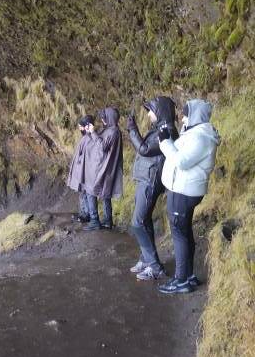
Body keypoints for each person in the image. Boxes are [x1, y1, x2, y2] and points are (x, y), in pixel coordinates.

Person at [157, 99, 220, 295]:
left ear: (195, 115)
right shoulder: (195, 133)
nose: (183, 117)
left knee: (179, 234)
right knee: (183, 232)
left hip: (184, 192)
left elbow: (181, 161)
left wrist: (164, 142)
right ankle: (189, 275)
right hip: (183, 190)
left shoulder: (201, 137)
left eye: (186, 114)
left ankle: (181, 280)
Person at [126, 97, 178, 281]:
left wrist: (132, 130)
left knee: (137, 222)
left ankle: (155, 267)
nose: (148, 114)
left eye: (151, 110)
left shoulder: (167, 131)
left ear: (161, 111)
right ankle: (146, 259)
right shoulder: (159, 129)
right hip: (147, 178)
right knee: (144, 220)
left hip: (151, 181)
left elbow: (145, 149)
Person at [84, 107, 123, 230]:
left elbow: (102, 147)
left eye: (104, 117)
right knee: (105, 193)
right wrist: (91, 132)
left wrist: (94, 133)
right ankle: (107, 220)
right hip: (105, 167)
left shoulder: (113, 132)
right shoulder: (110, 130)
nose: (102, 119)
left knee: (91, 190)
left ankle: (95, 220)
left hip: (104, 168)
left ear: (109, 118)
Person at [66, 115, 94, 223]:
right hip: (81, 170)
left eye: (81, 127)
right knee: (82, 193)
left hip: (85, 171)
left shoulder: (89, 138)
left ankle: (87, 214)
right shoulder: (85, 138)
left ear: (86, 126)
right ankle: (83, 212)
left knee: (86, 193)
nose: (79, 129)